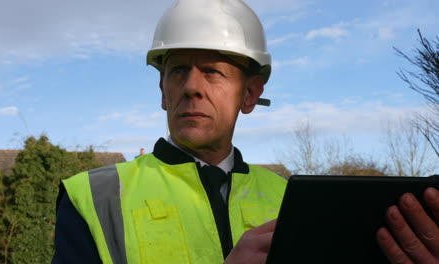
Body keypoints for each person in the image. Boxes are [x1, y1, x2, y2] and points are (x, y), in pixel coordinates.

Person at [52, 0, 439, 263]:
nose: (191, 86)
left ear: (250, 94)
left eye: (213, 72)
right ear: (163, 92)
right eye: (178, 70)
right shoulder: (95, 197)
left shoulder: (292, 199)